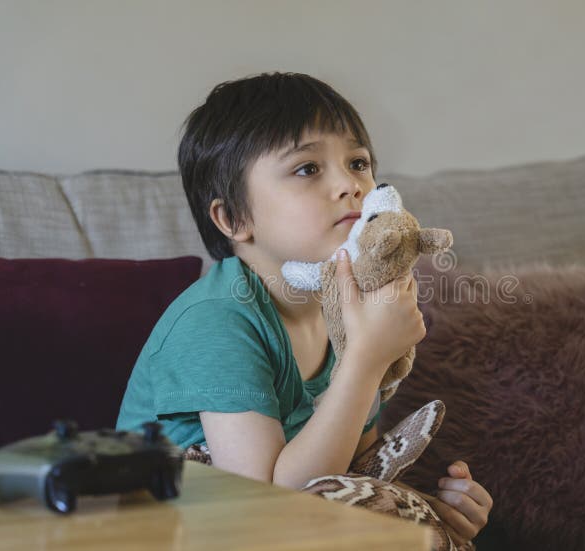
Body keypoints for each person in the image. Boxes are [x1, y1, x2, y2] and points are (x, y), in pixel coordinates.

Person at [116, 72, 492, 546]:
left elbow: (343, 473)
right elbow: (267, 507)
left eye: (358, 162)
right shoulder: (216, 321)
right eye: (307, 169)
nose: (350, 185)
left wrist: (426, 508)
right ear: (233, 218)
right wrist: (366, 359)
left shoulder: (344, 307)